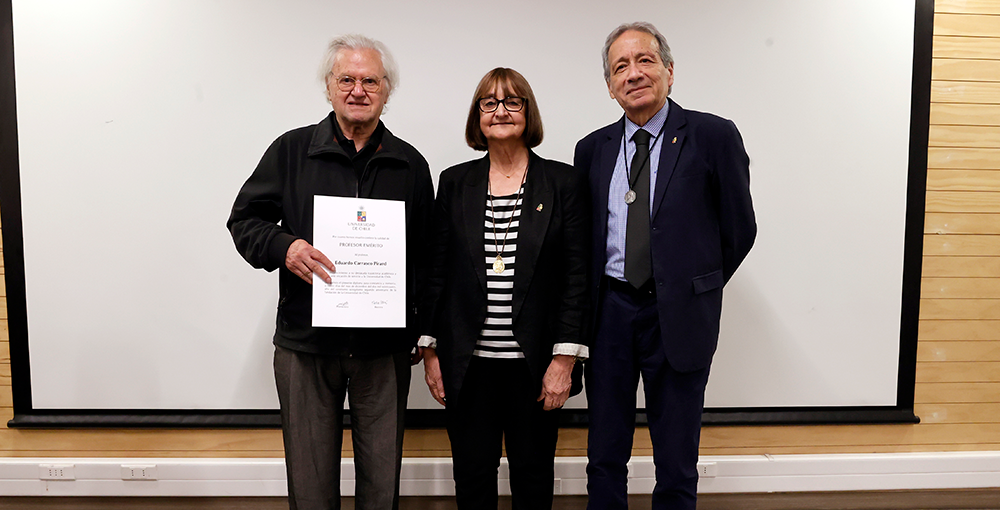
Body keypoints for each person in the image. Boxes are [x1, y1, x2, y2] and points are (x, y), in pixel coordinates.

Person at [227, 34, 433, 510]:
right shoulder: (291, 151)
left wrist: (422, 330)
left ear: (386, 90)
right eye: (347, 79)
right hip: (306, 345)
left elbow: (429, 256)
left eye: (370, 81)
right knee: (311, 485)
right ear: (328, 86)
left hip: (383, 350)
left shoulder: (410, 165)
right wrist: (285, 246)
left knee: (381, 487)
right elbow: (244, 222)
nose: (358, 90)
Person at [574, 22, 756, 510]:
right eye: (621, 67)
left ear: (669, 72)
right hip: (609, 314)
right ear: (610, 86)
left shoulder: (713, 136)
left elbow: (739, 231)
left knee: (676, 460)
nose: (634, 74)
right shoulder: (591, 150)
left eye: (645, 60)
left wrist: (690, 285)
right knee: (604, 454)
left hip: (676, 317)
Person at [418, 67, 589, 510]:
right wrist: (431, 351)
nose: (500, 111)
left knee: (533, 480)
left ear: (528, 113)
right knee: (472, 479)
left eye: (513, 101)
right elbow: (435, 271)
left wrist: (564, 359)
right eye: (489, 102)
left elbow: (576, 277)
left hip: (534, 367)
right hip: (468, 367)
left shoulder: (563, 183)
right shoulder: (455, 182)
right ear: (478, 116)